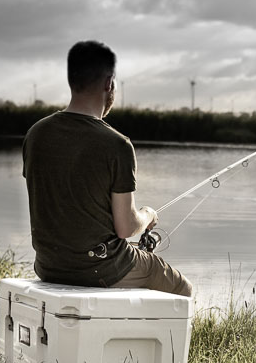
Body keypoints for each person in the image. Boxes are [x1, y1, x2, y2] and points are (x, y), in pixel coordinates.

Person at [22, 41, 192, 297]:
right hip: (101, 269)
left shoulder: (36, 133)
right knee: (182, 288)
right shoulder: (117, 144)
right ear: (109, 83)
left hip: (47, 266)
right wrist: (148, 215)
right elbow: (126, 228)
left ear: (72, 81)